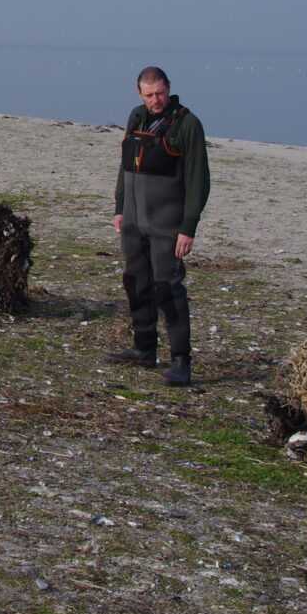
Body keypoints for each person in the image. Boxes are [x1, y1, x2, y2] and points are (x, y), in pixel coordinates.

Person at [110, 66, 210, 386]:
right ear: (139, 93)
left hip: (167, 225)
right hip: (133, 221)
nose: (156, 100)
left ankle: (181, 362)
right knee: (136, 282)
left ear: (169, 89)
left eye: (161, 93)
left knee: (168, 289)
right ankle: (144, 349)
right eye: (150, 95)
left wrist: (188, 227)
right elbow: (125, 166)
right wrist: (120, 208)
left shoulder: (187, 124)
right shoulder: (136, 117)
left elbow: (198, 179)